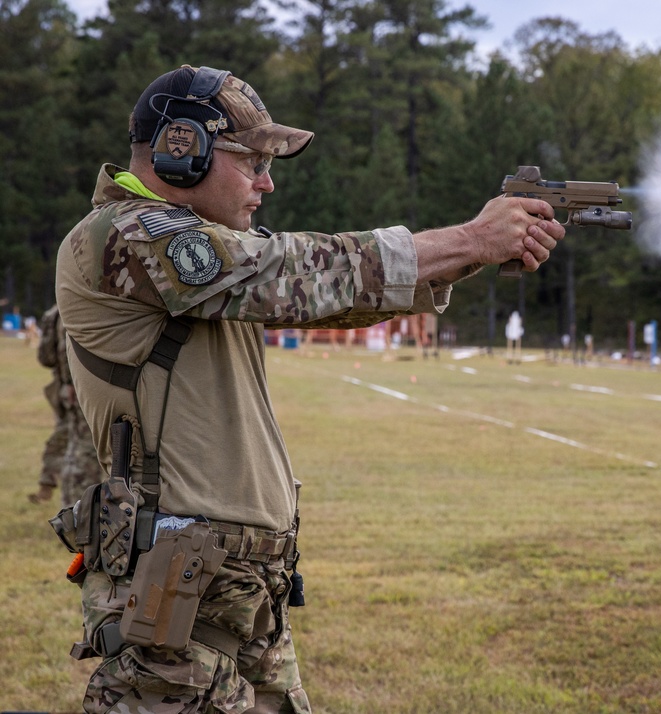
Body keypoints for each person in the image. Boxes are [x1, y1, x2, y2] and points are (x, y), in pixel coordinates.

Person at [53, 64, 564, 713]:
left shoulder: (195, 252)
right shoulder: (122, 235)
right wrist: (471, 236)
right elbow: (289, 273)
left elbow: (326, 299)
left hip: (231, 591)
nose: (266, 182)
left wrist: (477, 252)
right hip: (179, 599)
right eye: (254, 160)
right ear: (183, 150)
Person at [30, 305, 103, 507]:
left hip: (66, 393)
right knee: (86, 453)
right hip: (87, 393)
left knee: (69, 443)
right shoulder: (88, 305)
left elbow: (46, 358)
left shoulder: (55, 312)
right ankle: (80, 509)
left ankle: (62, 496)